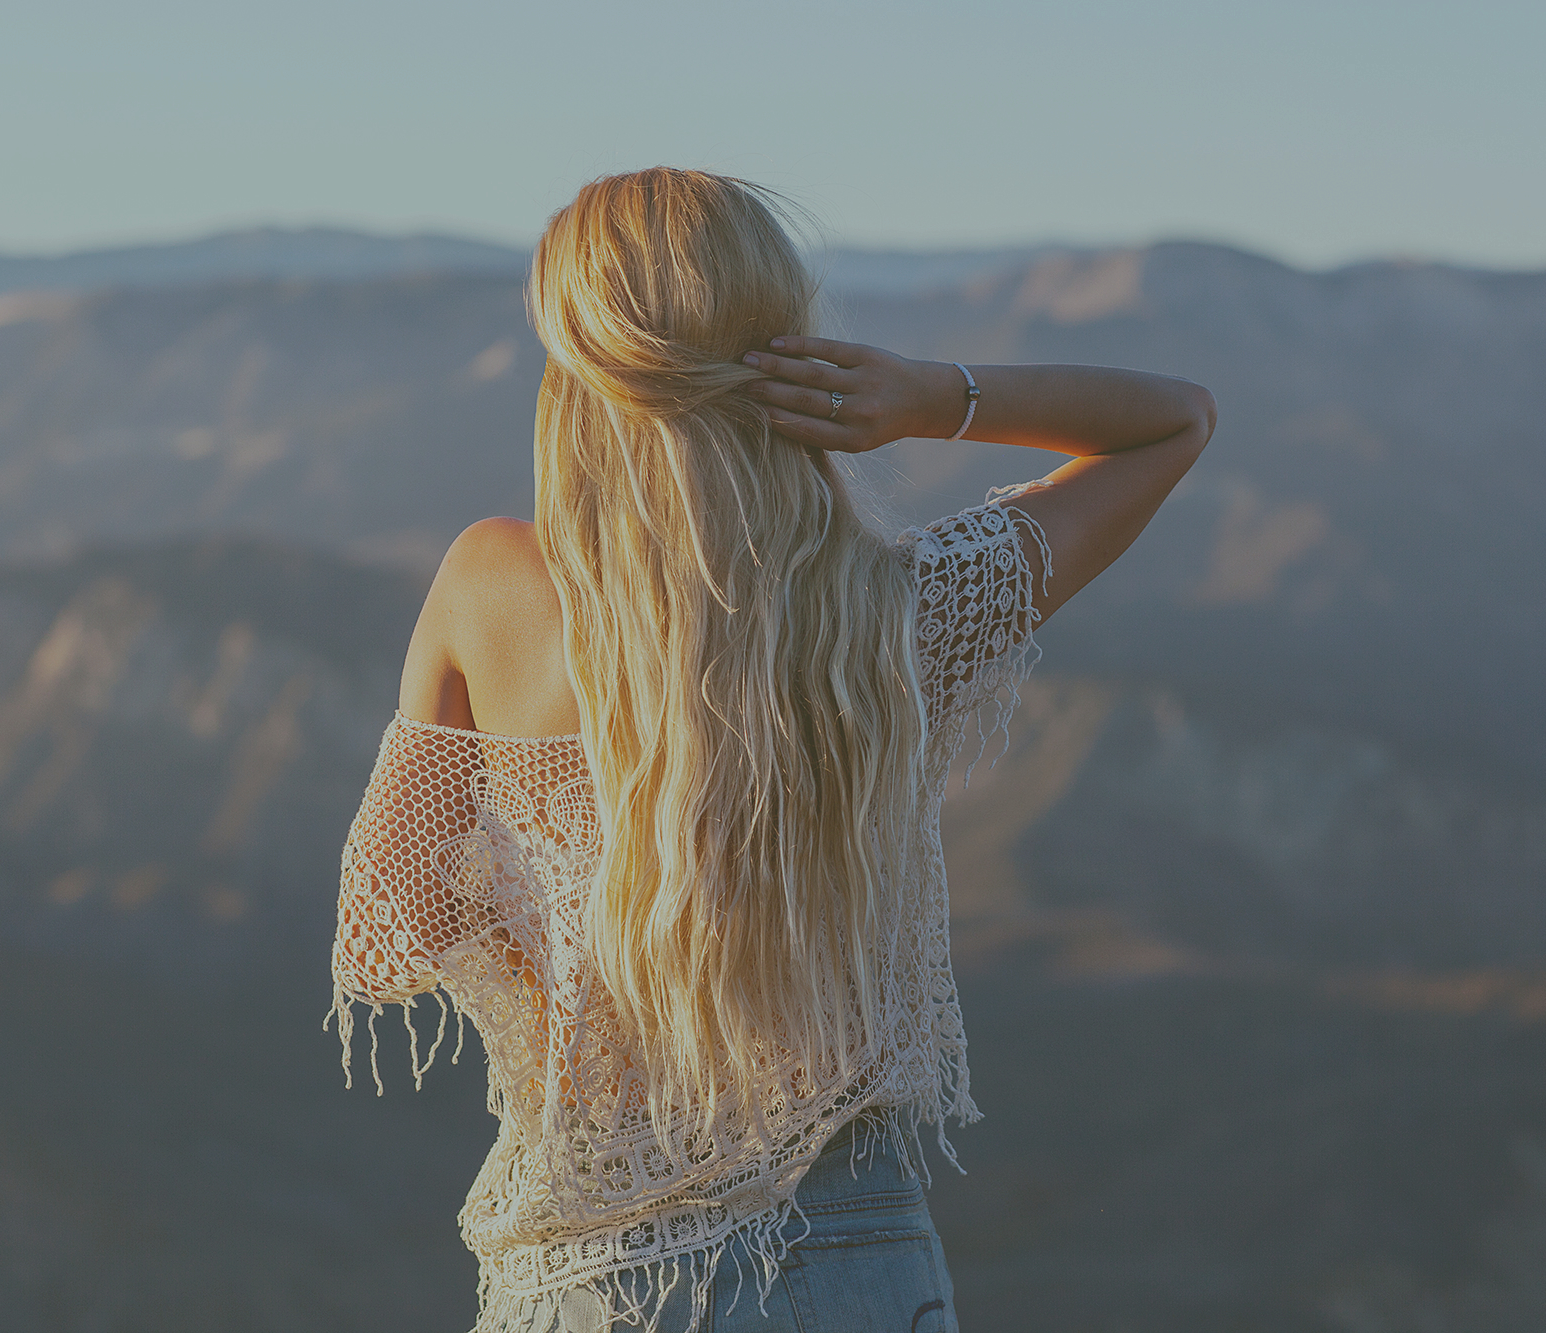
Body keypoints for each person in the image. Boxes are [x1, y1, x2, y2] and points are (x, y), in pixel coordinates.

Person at [328, 167, 1215, 1333]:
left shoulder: (489, 583)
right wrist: (925, 398)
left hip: (590, 1272)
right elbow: (1170, 422)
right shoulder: (897, 612)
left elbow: (402, 922)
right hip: (858, 1247)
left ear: (579, 364)